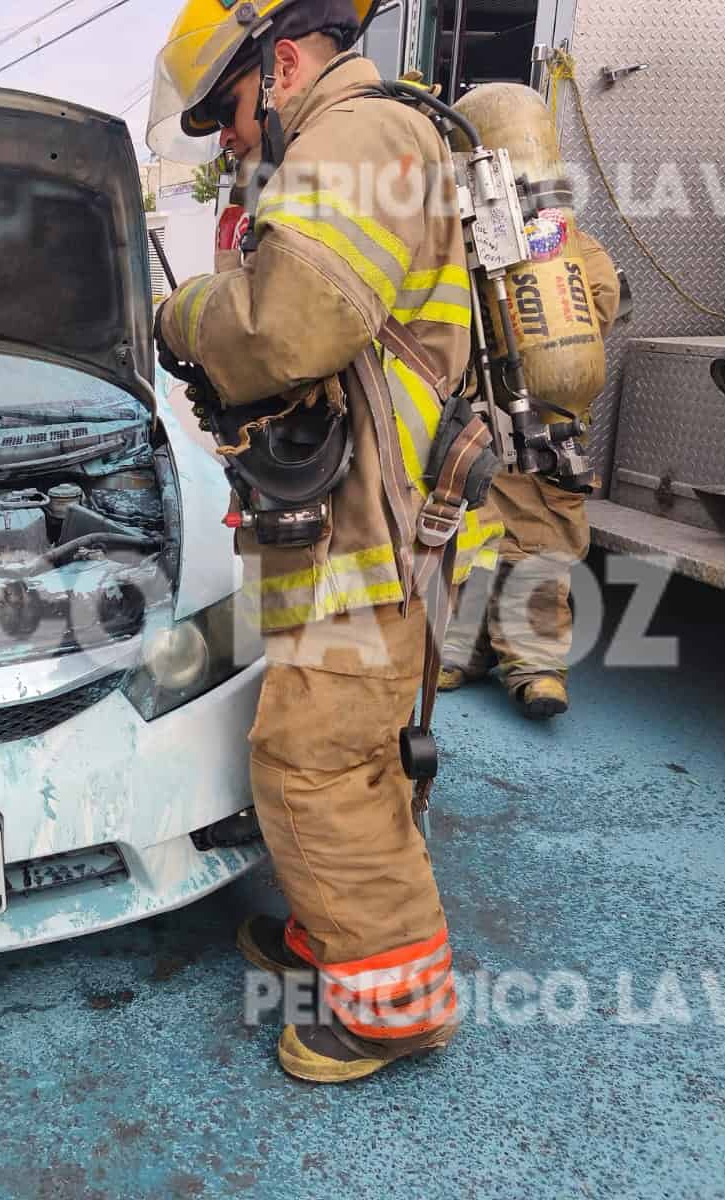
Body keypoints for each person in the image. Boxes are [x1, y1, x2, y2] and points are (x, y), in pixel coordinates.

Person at [147, 0, 504, 1082]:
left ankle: (393, 1009)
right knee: (346, 752)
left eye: (229, 114)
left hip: (378, 527)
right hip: (372, 520)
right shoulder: (378, 136)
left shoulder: (359, 136)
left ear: (284, 61)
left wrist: (180, 318)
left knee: (315, 761)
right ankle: (328, 939)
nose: (231, 142)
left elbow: (287, 323)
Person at [438, 232, 621, 719]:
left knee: (540, 532)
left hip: (543, 411)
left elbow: (592, 314)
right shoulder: (455, 232)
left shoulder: (569, 246)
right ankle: (463, 648)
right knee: (469, 527)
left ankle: (535, 662)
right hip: (476, 406)